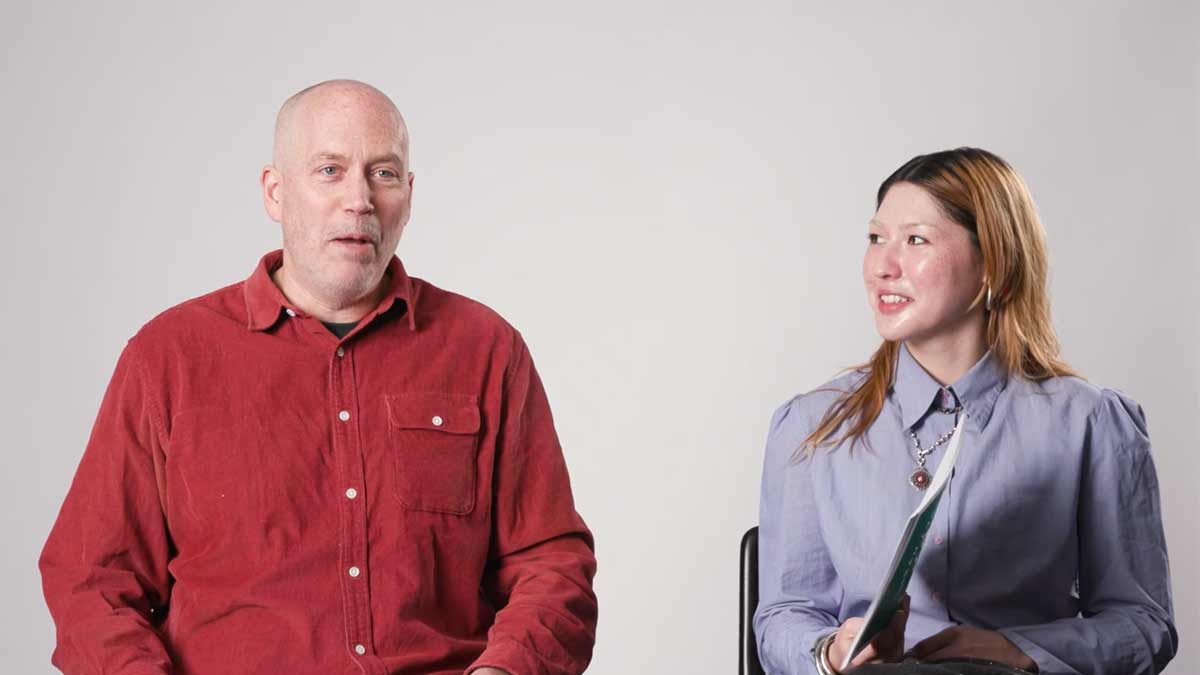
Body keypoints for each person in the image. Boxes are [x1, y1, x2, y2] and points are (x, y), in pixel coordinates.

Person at [39, 79, 597, 675]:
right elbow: (92, 580)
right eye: (329, 170)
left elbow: (550, 563)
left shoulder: (485, 349)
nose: (359, 199)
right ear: (275, 192)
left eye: (383, 173)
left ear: (408, 195)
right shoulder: (168, 356)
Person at [754, 148, 1176, 675]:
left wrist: (1019, 650)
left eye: (916, 240)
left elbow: (1143, 623)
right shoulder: (813, 426)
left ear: (992, 263)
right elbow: (784, 614)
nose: (882, 266)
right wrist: (833, 653)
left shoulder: (1091, 423)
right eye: (875, 238)